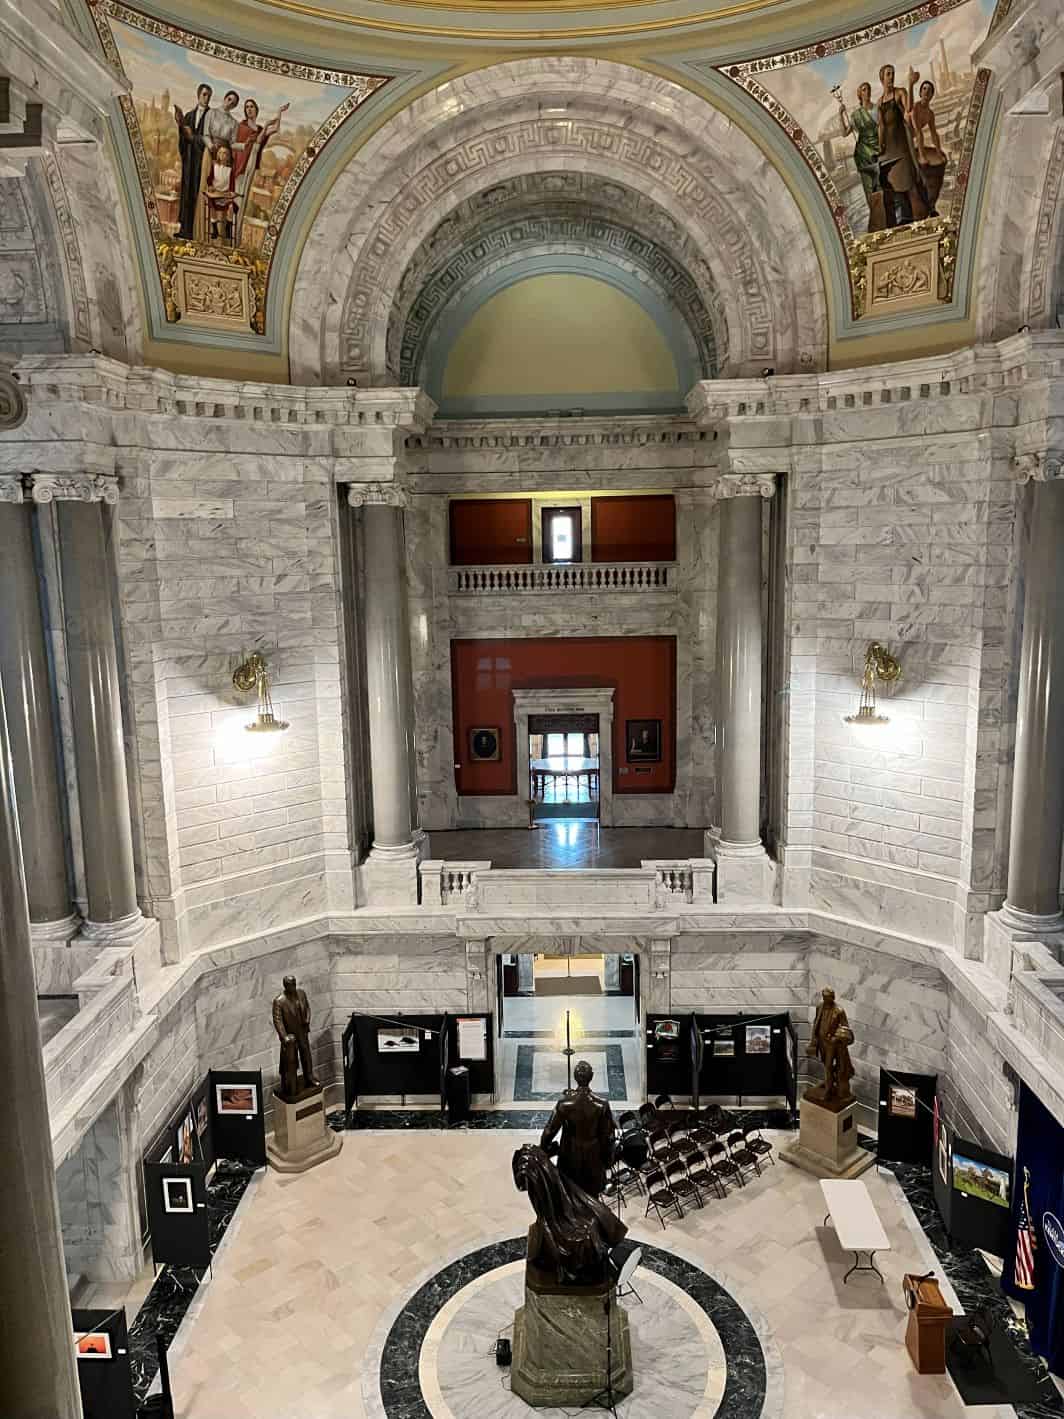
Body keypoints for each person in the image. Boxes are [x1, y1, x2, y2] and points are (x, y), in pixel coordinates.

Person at [539, 1059, 616, 1197]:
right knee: (592, 1198)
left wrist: (544, 1150)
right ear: (591, 1077)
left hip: (569, 1156)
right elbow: (608, 1136)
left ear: (575, 1077)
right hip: (593, 1158)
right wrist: (607, 1160)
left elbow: (549, 1131)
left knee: (569, 1196)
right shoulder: (602, 1105)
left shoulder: (564, 1104)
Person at [231, 98, 289, 245]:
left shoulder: (259, 128)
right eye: (247, 107)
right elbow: (249, 142)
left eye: (251, 107)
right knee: (237, 198)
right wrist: (268, 124)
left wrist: (279, 113)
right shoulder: (242, 126)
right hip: (242, 164)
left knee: (243, 199)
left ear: (256, 110)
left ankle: (236, 237)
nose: (249, 109)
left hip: (252, 162)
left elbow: (275, 130)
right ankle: (232, 233)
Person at [877, 64, 928, 227]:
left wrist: (911, 84)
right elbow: (881, 126)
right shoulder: (879, 102)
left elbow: (909, 108)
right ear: (882, 78)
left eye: (892, 73)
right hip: (890, 147)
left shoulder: (900, 92)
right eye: (888, 74)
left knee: (909, 177)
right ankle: (905, 218)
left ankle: (926, 211)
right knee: (894, 182)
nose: (891, 77)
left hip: (902, 142)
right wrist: (880, 146)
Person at [835, 81, 882, 229]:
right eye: (863, 89)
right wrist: (840, 114)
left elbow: (882, 129)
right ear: (860, 94)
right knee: (869, 186)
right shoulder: (855, 115)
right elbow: (844, 133)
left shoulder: (877, 109)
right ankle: (875, 214)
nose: (867, 91)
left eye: (868, 89)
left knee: (883, 183)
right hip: (863, 154)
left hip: (878, 149)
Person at [805, 987, 856, 1106]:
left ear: (832, 998)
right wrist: (814, 1039)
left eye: (828, 998)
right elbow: (816, 1023)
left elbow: (846, 1029)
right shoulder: (820, 1007)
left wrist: (836, 1038)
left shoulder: (839, 1011)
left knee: (828, 1066)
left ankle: (828, 1090)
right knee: (825, 1064)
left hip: (833, 1045)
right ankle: (831, 1081)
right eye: (824, 997)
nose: (825, 1000)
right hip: (821, 1042)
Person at [174, 84, 212, 238]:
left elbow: (210, 139)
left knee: (198, 193)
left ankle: (196, 231)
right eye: (204, 94)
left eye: (209, 95)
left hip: (202, 162)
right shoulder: (189, 115)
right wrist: (181, 125)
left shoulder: (211, 117)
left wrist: (193, 138)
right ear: (198, 95)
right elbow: (184, 139)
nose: (206, 98)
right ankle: (185, 229)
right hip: (189, 160)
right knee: (187, 192)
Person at [271, 974, 319, 1099]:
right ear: (285, 986)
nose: (293, 987)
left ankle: (309, 1077)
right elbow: (278, 1020)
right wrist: (284, 1037)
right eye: (290, 985)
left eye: (294, 984)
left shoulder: (301, 993)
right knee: (291, 1061)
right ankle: (291, 1084)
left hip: (302, 1031)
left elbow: (307, 1008)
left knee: (306, 1055)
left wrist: (307, 1019)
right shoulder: (279, 1001)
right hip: (290, 1036)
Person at [908, 73, 947, 216]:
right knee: (918, 169)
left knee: (935, 166)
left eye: (929, 90)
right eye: (923, 89)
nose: (926, 92)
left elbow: (934, 133)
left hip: (913, 139)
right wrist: (922, 156)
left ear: (931, 95)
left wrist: (938, 152)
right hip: (905, 137)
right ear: (920, 92)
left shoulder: (930, 114)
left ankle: (930, 205)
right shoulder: (916, 108)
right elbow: (918, 132)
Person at [196, 140, 238, 244]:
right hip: (215, 194)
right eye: (220, 153)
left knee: (231, 207)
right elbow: (209, 179)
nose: (222, 155)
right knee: (212, 206)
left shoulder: (230, 170)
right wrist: (210, 186)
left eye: (225, 153)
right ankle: (214, 227)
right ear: (218, 155)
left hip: (224, 195)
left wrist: (231, 193)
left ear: (228, 156)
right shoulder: (214, 167)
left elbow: (232, 185)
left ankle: (228, 227)